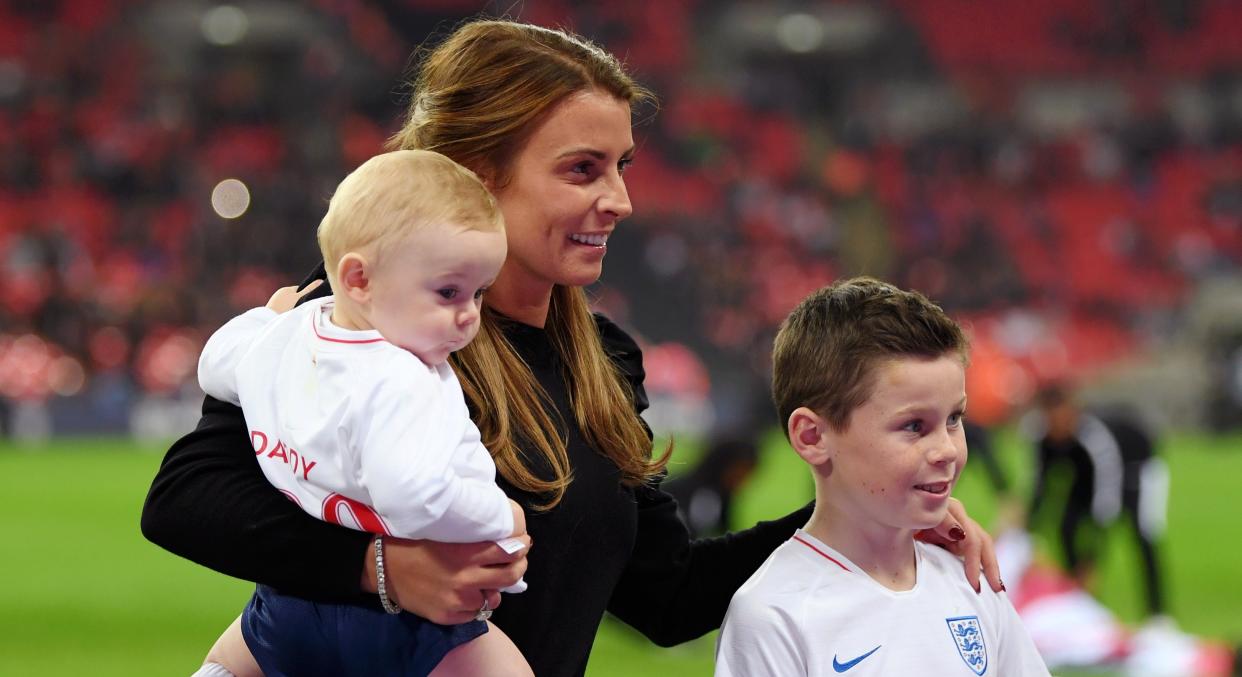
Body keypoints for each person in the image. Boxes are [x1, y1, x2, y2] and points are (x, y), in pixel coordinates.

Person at [141, 20, 1002, 677]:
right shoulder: (366, 318)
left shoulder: (607, 357)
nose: (620, 199)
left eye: (622, 165)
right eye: (583, 169)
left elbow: (664, 596)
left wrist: (861, 521)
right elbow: (184, 497)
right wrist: (382, 569)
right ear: (478, 174)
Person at [191, 150, 533, 676]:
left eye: (478, 293)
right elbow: (414, 498)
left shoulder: (287, 335)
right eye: (448, 292)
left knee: (226, 664)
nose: (468, 315)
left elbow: (214, 365)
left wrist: (266, 317)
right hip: (402, 626)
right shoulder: (400, 376)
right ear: (358, 280)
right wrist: (501, 516)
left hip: (287, 608)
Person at [716, 277, 1049, 676]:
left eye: (954, 419)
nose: (947, 449)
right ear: (812, 436)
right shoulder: (775, 615)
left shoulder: (972, 584)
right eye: (913, 426)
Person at [1024, 384, 1169, 621]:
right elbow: (1041, 486)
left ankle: (1158, 615)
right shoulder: (1042, 437)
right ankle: (1079, 601)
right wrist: (1027, 532)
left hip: (1137, 473)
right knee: (1066, 525)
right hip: (1087, 479)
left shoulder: (1094, 437)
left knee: (1143, 537)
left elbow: (1106, 499)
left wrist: (1091, 559)